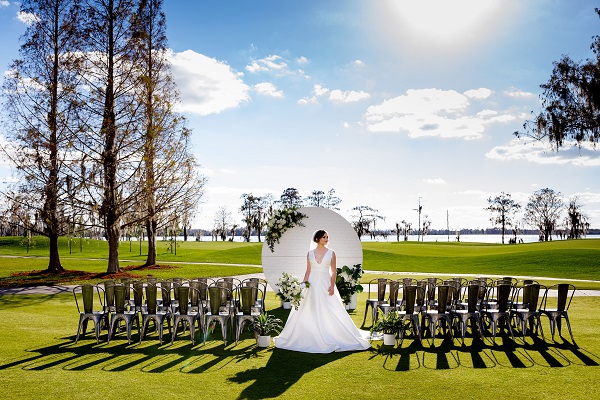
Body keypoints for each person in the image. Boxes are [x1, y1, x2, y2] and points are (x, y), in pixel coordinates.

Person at [274, 229, 371, 353]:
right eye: (324, 237)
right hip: (312, 283)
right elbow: (308, 270)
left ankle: (332, 333)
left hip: (325, 284)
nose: (326, 239)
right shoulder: (310, 253)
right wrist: (303, 284)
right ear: (317, 239)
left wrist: (331, 285)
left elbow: (334, 271)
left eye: (327, 237)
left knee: (330, 307)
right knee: (309, 308)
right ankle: (310, 334)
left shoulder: (331, 253)